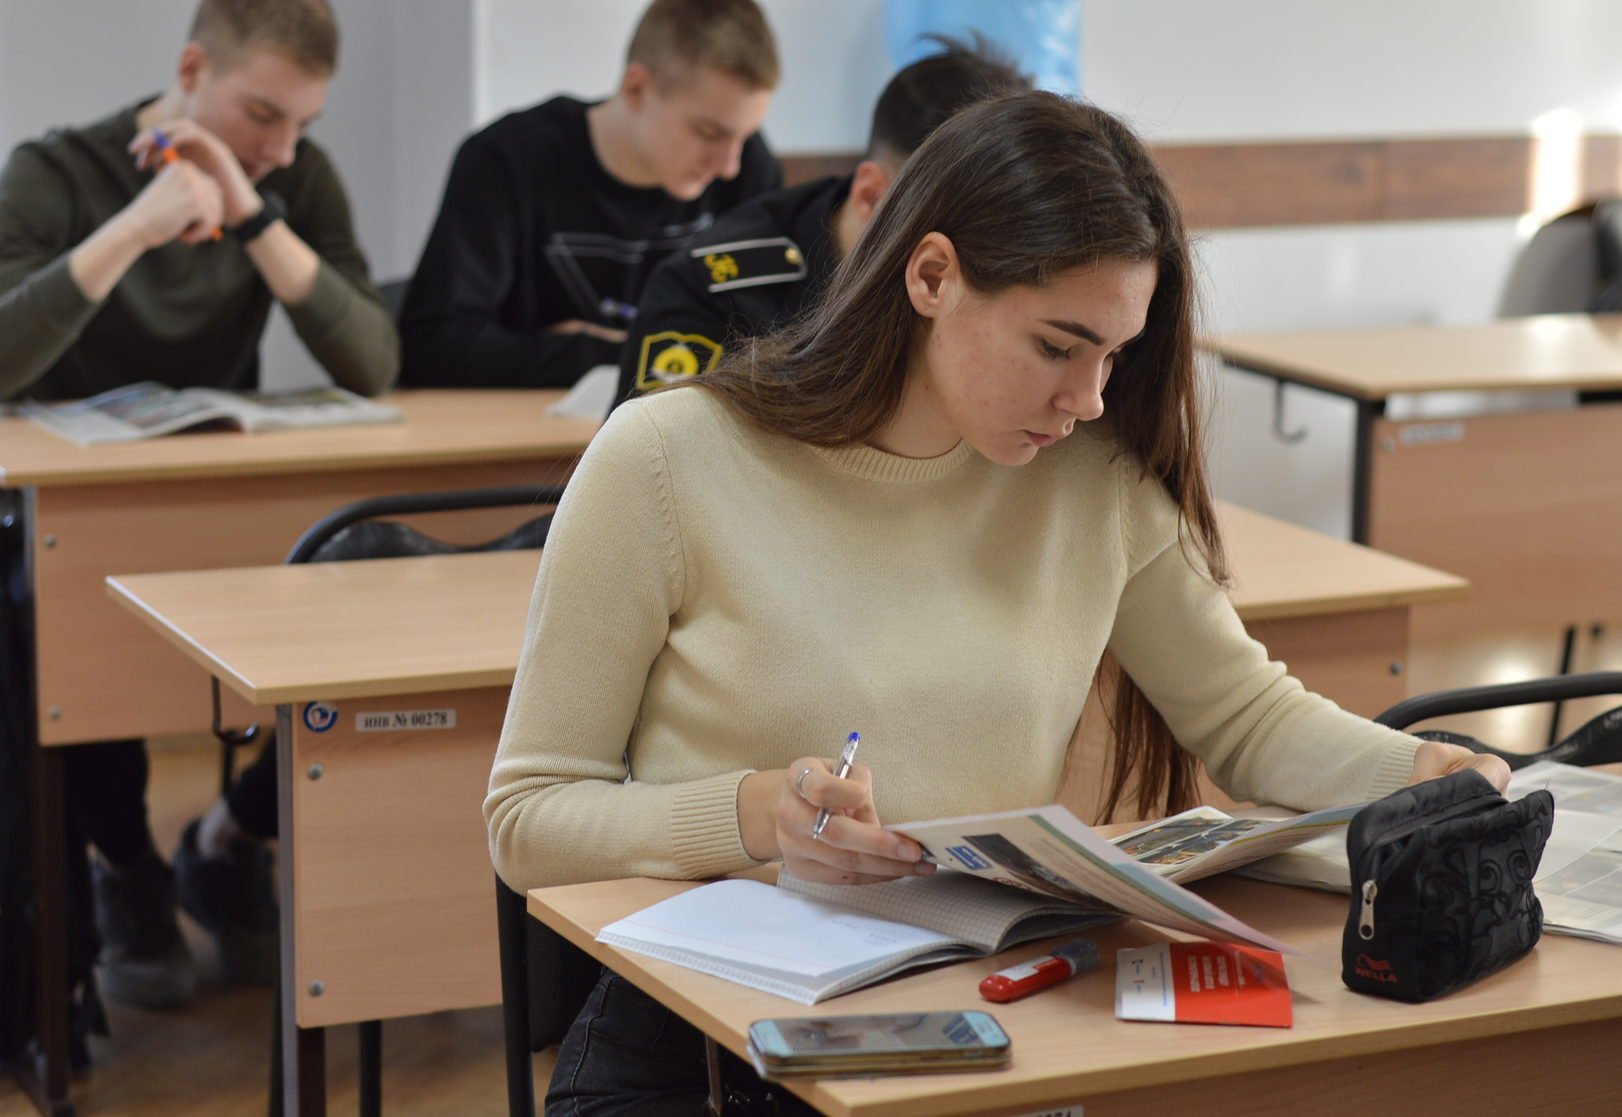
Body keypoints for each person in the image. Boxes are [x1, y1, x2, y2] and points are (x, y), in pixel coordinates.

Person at [484, 92, 1511, 1114]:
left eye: (1114, 355)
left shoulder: (1092, 481)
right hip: (710, 1045)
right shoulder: (667, 458)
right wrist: (754, 813)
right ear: (931, 276)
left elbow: (1246, 717)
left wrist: (1424, 770)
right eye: (1058, 347)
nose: (1090, 398)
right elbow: (527, 819)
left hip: (982, 1023)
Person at [0, 0, 397, 1010]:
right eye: (262, 114)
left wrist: (253, 212)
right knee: (76, 633)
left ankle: (229, 846)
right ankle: (128, 870)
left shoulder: (291, 175)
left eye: (302, 123)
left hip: (219, 486)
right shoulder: (53, 172)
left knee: (371, 593)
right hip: (76, 505)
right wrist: (139, 225)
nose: (282, 146)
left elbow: (372, 361)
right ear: (190, 69)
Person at [616, 35, 1028, 404]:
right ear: (872, 197)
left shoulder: (1019, 295)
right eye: (954, 235)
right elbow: (649, 458)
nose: (980, 264)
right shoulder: (712, 292)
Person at [398, 0, 783, 390]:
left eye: (745, 135)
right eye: (709, 133)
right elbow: (432, 347)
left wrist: (567, 351)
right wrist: (603, 354)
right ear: (636, 88)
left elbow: (776, 340)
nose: (729, 165)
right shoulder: (507, 158)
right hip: (533, 422)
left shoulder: (749, 169)